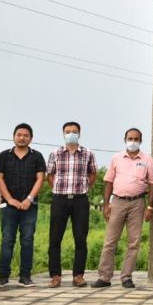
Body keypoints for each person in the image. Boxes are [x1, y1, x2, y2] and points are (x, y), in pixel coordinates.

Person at [91, 128, 153, 289]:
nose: (133, 141)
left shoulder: (147, 160)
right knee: (110, 241)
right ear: (125, 139)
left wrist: (150, 207)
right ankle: (104, 277)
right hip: (118, 202)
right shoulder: (116, 158)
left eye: (136, 139)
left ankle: (126, 276)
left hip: (138, 203)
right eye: (130, 138)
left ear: (140, 141)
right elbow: (108, 182)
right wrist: (106, 204)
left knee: (133, 242)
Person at [0, 123, 46, 288]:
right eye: (19, 134)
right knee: (7, 240)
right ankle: (3, 277)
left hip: (29, 206)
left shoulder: (37, 156)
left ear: (31, 138)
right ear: (14, 136)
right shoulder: (4, 156)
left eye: (26, 135)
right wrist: (10, 199)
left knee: (27, 240)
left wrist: (28, 199)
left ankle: (25, 276)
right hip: (8, 206)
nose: (22, 137)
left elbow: (40, 179)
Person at [46, 121, 97, 288]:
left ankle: (78, 275)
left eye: (74, 131)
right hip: (59, 199)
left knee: (80, 239)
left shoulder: (88, 153)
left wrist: (84, 187)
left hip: (80, 200)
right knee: (55, 239)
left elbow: (93, 174)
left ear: (79, 134)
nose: (71, 134)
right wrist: (57, 188)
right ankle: (55, 276)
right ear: (63, 134)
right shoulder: (55, 153)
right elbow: (50, 175)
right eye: (67, 131)